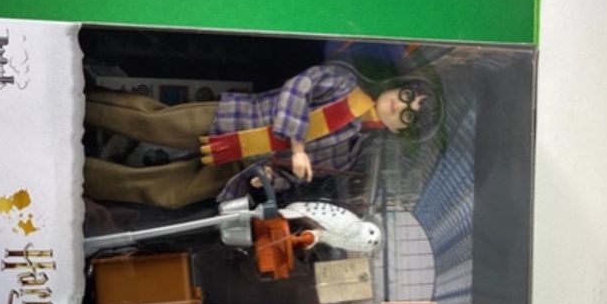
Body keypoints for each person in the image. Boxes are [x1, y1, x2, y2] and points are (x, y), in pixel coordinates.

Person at [83, 61, 443, 209]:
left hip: (243, 166)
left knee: (168, 193)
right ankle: (79, 104)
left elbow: (295, 175)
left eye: (408, 115)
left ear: (400, 130)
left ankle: (82, 179)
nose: (399, 105)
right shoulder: (344, 85)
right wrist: (298, 145)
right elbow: (299, 87)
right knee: (153, 124)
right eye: (406, 96)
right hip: (237, 122)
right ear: (396, 86)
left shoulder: (351, 150)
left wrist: (274, 179)